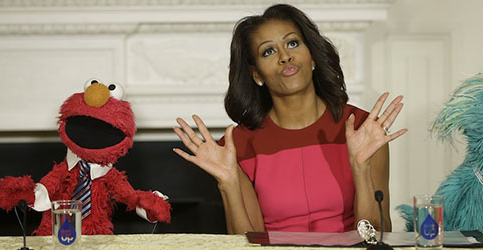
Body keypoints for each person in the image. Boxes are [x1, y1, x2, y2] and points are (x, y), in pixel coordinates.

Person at [173, 4, 406, 234]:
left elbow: (378, 233)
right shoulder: (239, 145)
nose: (285, 57)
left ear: (312, 57)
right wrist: (228, 183)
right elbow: (246, 243)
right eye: (268, 51)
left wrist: (360, 168)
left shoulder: (363, 128)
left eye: (292, 43)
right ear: (257, 74)